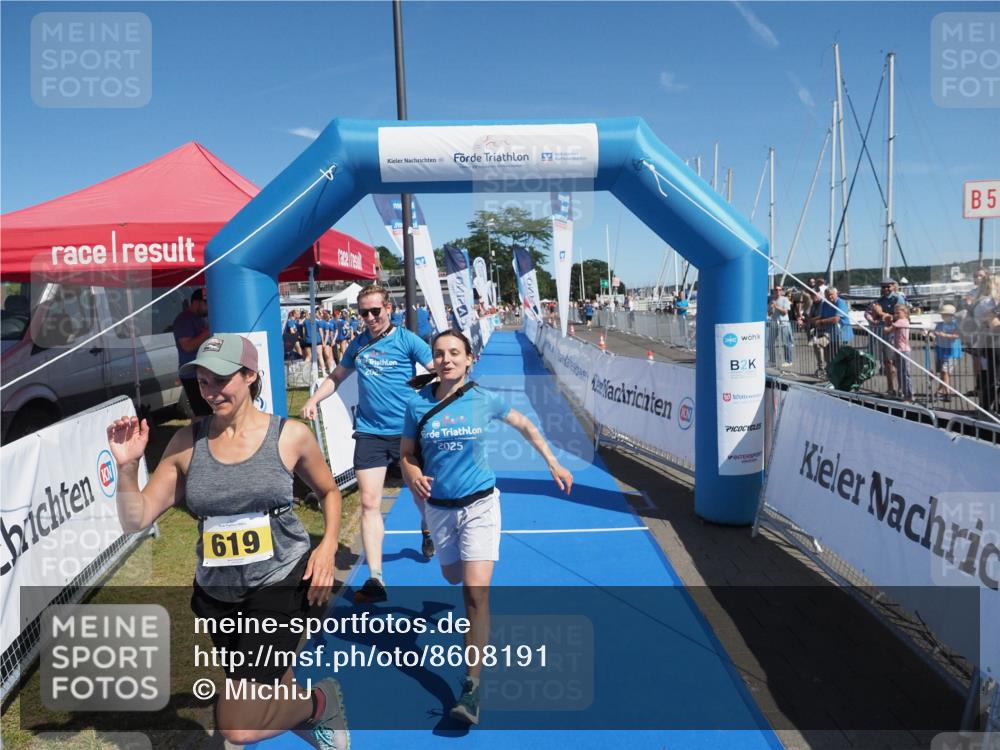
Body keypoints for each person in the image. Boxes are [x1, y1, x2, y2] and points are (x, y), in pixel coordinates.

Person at [106, 333, 348, 750]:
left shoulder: (289, 435)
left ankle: (319, 702)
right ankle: (307, 713)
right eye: (202, 382)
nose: (211, 391)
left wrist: (326, 547)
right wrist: (127, 469)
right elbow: (137, 518)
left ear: (250, 375)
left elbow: (329, 491)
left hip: (280, 582)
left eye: (220, 380)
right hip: (218, 592)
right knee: (270, 678)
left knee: (237, 727)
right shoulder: (187, 442)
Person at [399, 329, 573, 726]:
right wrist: (411, 474)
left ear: (469, 358)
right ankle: (428, 535)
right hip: (439, 510)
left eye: (454, 353)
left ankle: (471, 688)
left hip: (480, 504)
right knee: (451, 577)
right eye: (440, 354)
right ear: (433, 360)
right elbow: (406, 454)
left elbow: (525, 425)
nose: (446, 360)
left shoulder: (484, 399)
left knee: (476, 594)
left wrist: (552, 461)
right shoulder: (416, 404)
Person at [300, 285, 435, 603]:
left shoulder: (406, 340)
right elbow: (336, 377)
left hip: (407, 434)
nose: (371, 317)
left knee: (421, 497)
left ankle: (427, 527)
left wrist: (423, 387)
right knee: (370, 503)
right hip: (370, 433)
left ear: (389, 309)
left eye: (376, 311)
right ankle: (376, 578)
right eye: (364, 313)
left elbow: (436, 370)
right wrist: (314, 399)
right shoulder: (357, 345)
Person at [173, 288, 212, 417]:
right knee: (202, 414)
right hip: (191, 375)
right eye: (206, 303)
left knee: (207, 412)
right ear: (196, 302)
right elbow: (187, 346)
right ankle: (198, 436)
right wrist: (207, 332)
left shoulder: (202, 318)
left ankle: (201, 434)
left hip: (203, 372)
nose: (208, 307)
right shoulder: (183, 320)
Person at [811, 287, 853, 379]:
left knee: (839, 357)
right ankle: (824, 369)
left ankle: (841, 376)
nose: (830, 297)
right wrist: (809, 321)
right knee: (819, 346)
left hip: (841, 334)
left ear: (836, 294)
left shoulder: (840, 303)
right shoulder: (825, 303)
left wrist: (821, 322)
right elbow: (822, 316)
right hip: (829, 334)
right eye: (827, 295)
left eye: (831, 294)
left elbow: (836, 319)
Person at [932, 304, 963, 403]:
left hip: (952, 351)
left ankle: (947, 393)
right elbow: (934, 334)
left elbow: (957, 335)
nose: (943, 316)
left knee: (945, 371)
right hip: (941, 349)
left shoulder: (956, 324)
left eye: (946, 315)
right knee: (944, 373)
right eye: (943, 314)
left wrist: (944, 335)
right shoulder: (939, 324)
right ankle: (940, 390)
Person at [889, 304, 913, 401]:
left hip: (903, 350)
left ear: (905, 313)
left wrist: (887, 320)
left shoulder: (902, 321)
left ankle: (909, 395)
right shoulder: (901, 321)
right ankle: (904, 393)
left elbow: (887, 330)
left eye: (898, 313)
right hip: (899, 350)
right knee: (900, 373)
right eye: (895, 313)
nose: (896, 315)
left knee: (905, 374)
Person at [767, 284, 794, 368]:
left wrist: (776, 306)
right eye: (776, 289)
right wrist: (771, 308)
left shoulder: (785, 299)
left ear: (782, 291)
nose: (777, 291)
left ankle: (788, 361)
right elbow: (769, 313)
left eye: (779, 290)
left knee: (786, 343)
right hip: (774, 323)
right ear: (774, 291)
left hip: (784, 324)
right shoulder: (772, 300)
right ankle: (772, 361)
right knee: (770, 343)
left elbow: (785, 312)